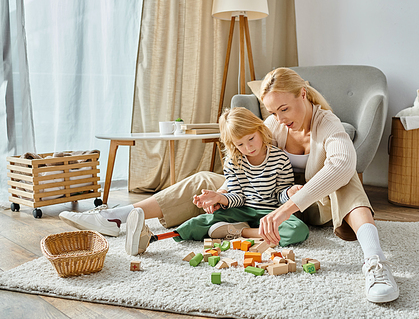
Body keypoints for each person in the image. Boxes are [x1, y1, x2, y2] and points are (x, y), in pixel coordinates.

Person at [59, 67, 398, 303]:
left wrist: (285, 209)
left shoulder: (328, 124)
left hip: (309, 206)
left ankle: (375, 263)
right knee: (205, 179)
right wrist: (220, 194)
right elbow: (242, 156)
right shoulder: (273, 126)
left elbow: (341, 163)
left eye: (284, 107)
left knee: (345, 178)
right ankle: (118, 216)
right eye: (272, 111)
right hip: (267, 201)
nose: (279, 118)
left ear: (303, 94)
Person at [126, 107, 308, 255]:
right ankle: (151, 239)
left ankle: (240, 232)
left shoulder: (280, 159)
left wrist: (289, 193)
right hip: (241, 211)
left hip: (270, 213)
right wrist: (220, 198)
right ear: (233, 145)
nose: (248, 147)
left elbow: (280, 195)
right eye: (240, 144)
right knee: (198, 222)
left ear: (260, 130)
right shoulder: (234, 161)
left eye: (251, 139)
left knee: (297, 230)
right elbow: (238, 197)